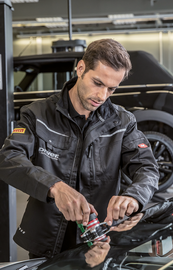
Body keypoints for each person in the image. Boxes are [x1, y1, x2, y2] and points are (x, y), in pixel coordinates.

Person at [0, 38, 159, 258]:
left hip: (102, 239)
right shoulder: (37, 114)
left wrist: (134, 196)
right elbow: (9, 159)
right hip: (47, 241)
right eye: (97, 83)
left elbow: (147, 169)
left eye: (111, 89)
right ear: (81, 68)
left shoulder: (123, 122)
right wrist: (54, 187)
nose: (102, 96)